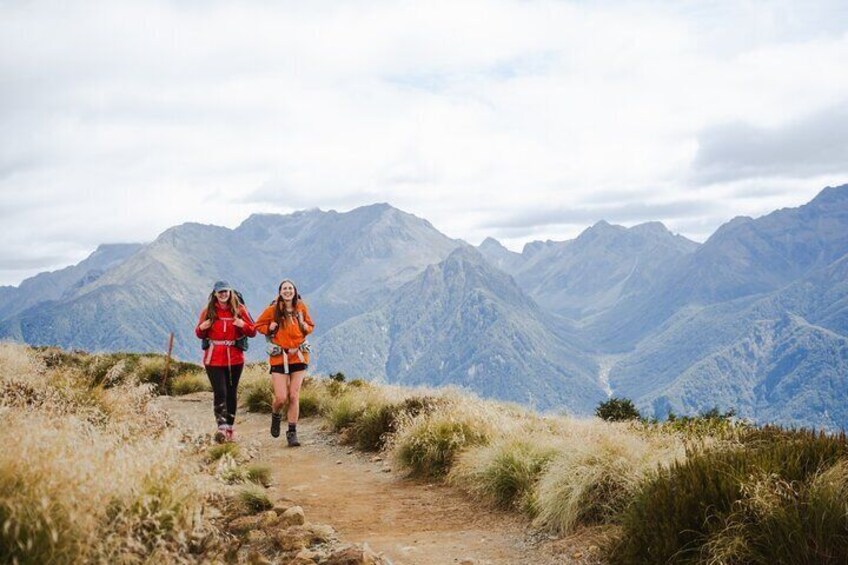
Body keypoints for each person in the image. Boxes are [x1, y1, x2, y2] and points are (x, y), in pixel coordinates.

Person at [255, 279, 314, 447]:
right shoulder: (272, 310)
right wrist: (270, 328)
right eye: (284, 289)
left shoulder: (301, 307)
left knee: (294, 395)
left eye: (290, 288)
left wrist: (305, 326)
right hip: (279, 357)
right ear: (280, 292)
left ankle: (292, 432)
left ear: (294, 291)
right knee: (281, 397)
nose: (287, 291)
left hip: (299, 356)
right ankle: (276, 413)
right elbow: (258, 325)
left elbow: (310, 326)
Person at [195, 280, 256, 442]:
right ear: (215, 294)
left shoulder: (240, 309)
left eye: (226, 291)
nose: (223, 294)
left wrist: (242, 324)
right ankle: (221, 428)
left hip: (235, 357)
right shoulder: (208, 311)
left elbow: (252, 331)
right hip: (213, 358)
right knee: (220, 392)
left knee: (231, 392)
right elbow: (199, 333)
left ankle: (230, 427)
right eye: (220, 292)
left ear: (230, 292)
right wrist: (203, 327)